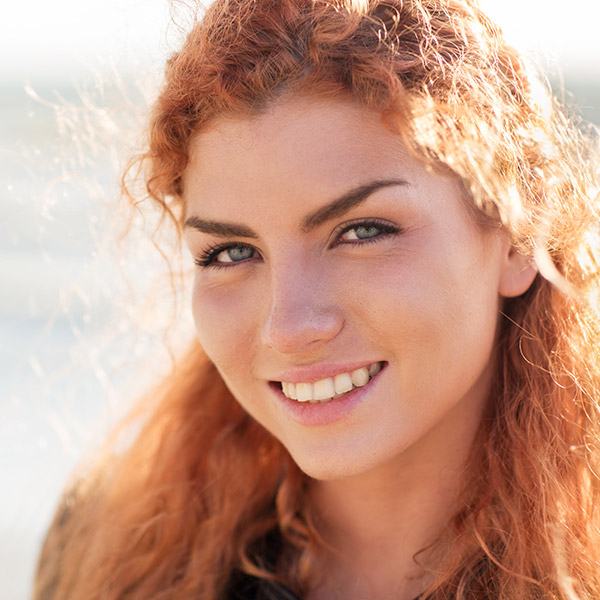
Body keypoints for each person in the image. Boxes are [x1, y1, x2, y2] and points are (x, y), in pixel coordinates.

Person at [34, 0, 600, 599]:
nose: (288, 327)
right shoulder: (110, 550)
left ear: (517, 236)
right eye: (230, 252)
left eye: (362, 231)